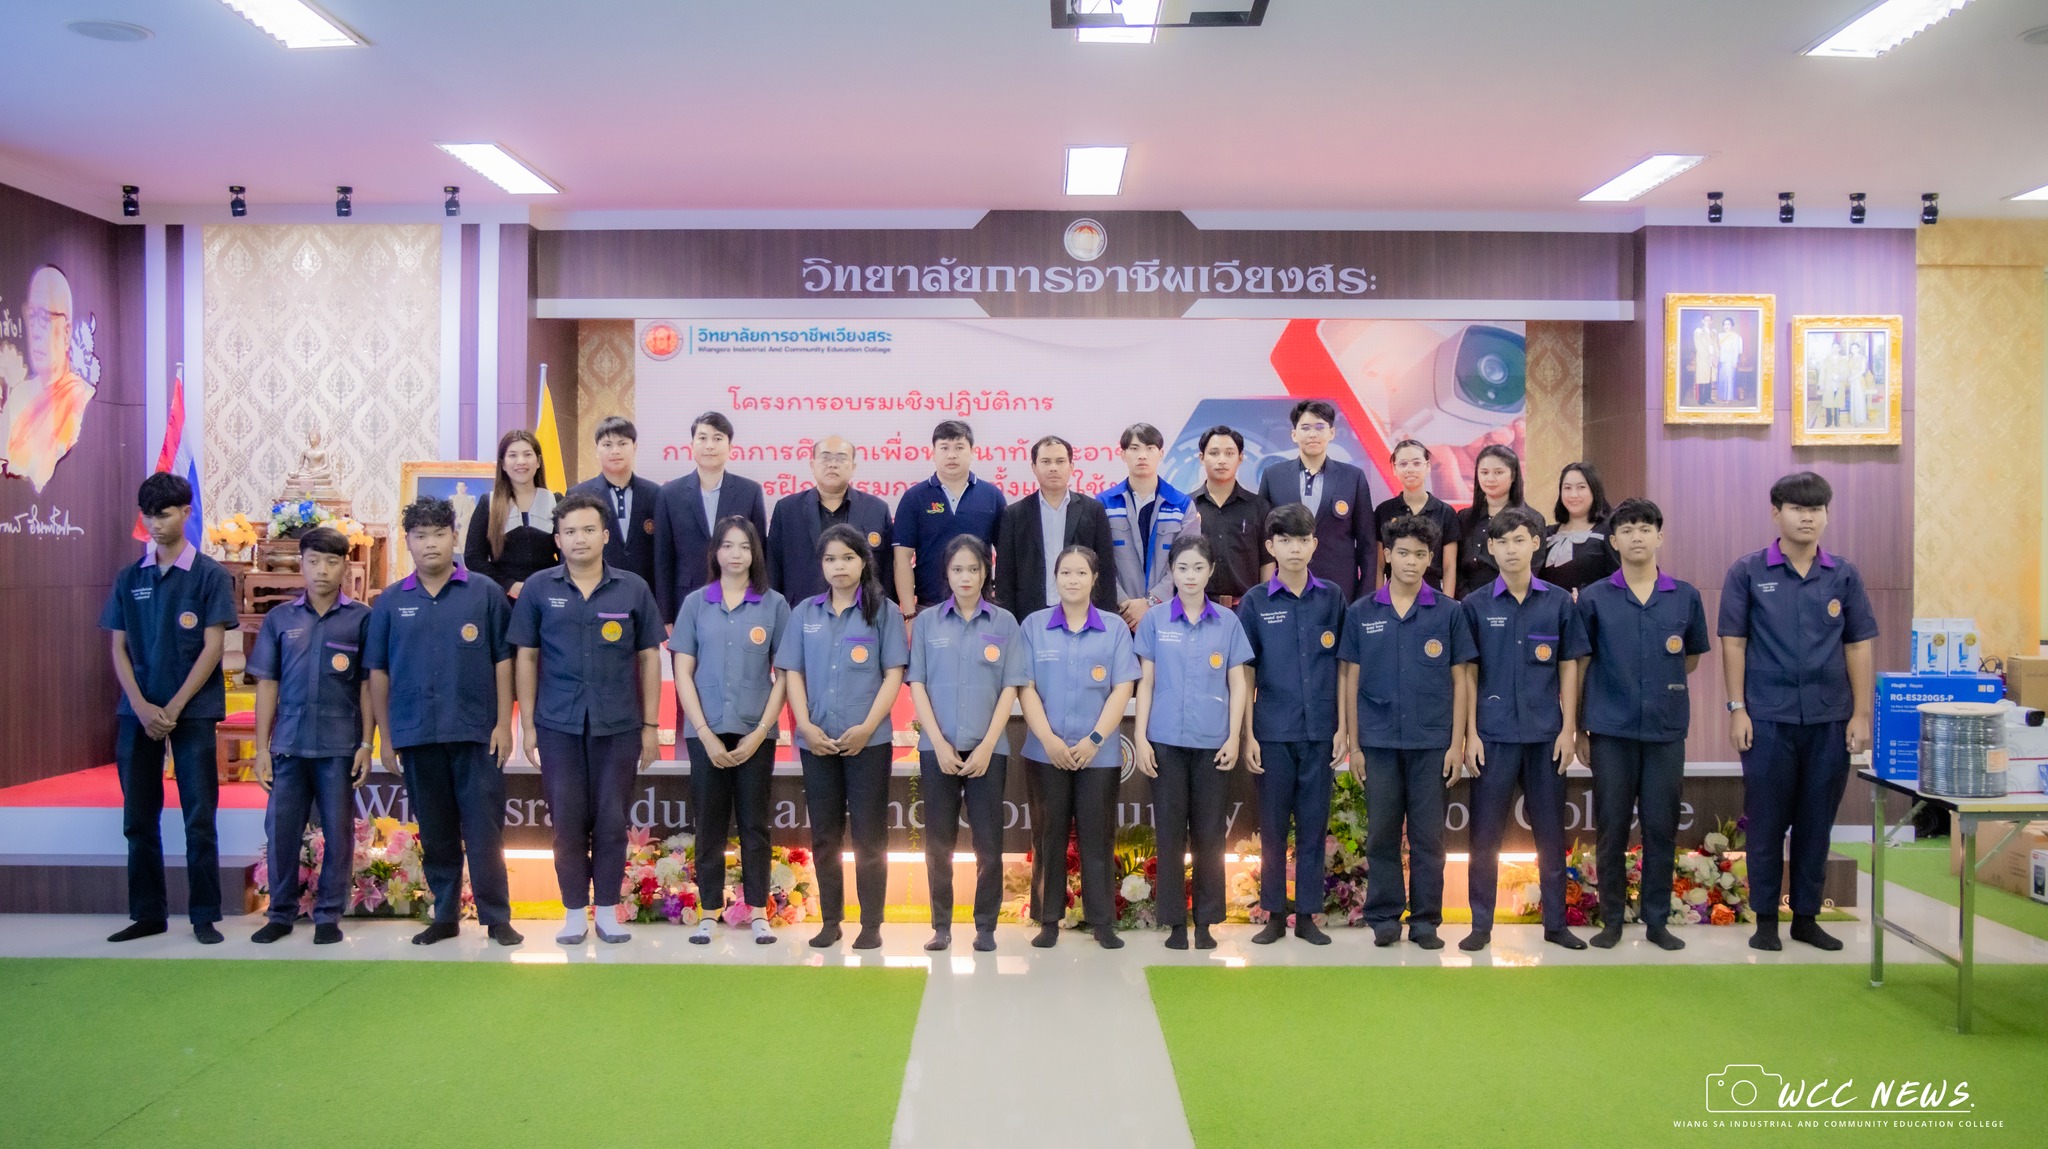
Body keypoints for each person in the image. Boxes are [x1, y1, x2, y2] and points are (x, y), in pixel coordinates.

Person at [1719, 471, 1876, 952]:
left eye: (1816, 509)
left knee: (1816, 824)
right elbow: (1733, 643)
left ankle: (1807, 917)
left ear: (1826, 515)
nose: (1807, 518)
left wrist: (1861, 714)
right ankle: (1765, 920)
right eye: (1797, 508)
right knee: (1766, 824)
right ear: (1776, 513)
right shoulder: (1748, 572)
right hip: (1767, 719)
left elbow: (1858, 646)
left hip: (1830, 720)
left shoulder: (1843, 575)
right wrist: (1737, 709)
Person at [510, 493, 665, 945]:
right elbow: (526, 657)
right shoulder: (539, 588)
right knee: (567, 822)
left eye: (589, 529)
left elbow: (650, 658)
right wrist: (528, 726)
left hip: (619, 724)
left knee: (612, 821)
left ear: (605, 535)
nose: (580, 538)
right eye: (570, 531)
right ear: (558, 539)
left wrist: (651, 726)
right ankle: (574, 912)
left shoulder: (633, 588)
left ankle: (609, 912)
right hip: (557, 724)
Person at [367, 497, 522, 946]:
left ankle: (497, 918)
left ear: (454, 536)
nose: (430, 544)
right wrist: (385, 738)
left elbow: (504, 660)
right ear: (408, 542)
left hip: (477, 733)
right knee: (435, 832)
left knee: (484, 831)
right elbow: (378, 672)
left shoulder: (484, 593)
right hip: (416, 732)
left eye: (439, 534)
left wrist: (503, 724)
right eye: (420, 536)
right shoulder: (390, 602)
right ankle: (445, 916)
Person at [100, 473, 239, 944]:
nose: (155, 524)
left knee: (198, 817)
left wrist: (174, 707)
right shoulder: (129, 577)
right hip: (136, 714)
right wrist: (141, 706)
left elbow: (214, 647)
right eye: (148, 516)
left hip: (193, 712)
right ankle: (148, 914)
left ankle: (204, 915)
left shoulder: (210, 575)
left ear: (186, 512)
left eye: (164, 514)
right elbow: (118, 648)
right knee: (138, 818)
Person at [1575, 498, 1709, 952]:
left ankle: (1657, 921)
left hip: (1665, 731)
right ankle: (1612, 919)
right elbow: (1582, 663)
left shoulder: (1685, 596)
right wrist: (1579, 728)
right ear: (1613, 540)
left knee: (1660, 828)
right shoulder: (1594, 598)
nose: (1637, 537)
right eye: (1628, 530)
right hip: (1609, 730)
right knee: (1612, 828)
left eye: (1645, 528)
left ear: (1659, 536)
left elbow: (1690, 657)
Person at [1340, 514, 1476, 950]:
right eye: (1403, 553)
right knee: (1381, 834)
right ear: (1387, 555)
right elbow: (1351, 680)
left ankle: (1425, 921)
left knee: (1428, 838)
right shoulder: (1361, 612)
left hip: (1432, 743)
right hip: (1377, 743)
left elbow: (1461, 680)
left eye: (1420, 554)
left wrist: (1456, 744)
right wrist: (1355, 745)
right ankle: (1383, 917)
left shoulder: (1450, 612)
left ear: (1431, 558)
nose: (1411, 561)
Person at [1460, 506, 1590, 952]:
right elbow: (1468, 673)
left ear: (1536, 543)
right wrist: (1470, 734)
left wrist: (1569, 728)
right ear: (1491, 549)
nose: (1512, 549)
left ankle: (1556, 923)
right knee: (1484, 836)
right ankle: (1481, 925)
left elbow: (1569, 665)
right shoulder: (1474, 606)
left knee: (1550, 835)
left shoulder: (1558, 602)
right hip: (1492, 737)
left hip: (1545, 735)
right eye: (1503, 542)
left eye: (1520, 540)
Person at [777, 525, 908, 950]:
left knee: (870, 837)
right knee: (824, 836)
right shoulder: (804, 613)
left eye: (848, 558)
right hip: (816, 741)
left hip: (868, 742)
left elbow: (894, 673)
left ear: (863, 561)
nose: (839, 567)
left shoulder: (883, 611)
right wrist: (804, 725)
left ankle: (871, 924)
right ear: (821, 565)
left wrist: (867, 727)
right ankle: (831, 920)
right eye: (830, 559)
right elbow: (791, 672)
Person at [246, 527, 374, 946]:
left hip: (339, 746)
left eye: (331, 562)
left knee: (338, 834)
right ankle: (280, 913)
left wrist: (366, 743)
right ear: (301, 564)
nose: (322, 570)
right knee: (281, 833)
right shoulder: (280, 619)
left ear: (345, 568)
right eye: (314, 561)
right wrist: (261, 749)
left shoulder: (362, 619)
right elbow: (267, 684)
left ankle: (328, 916)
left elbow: (368, 685)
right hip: (288, 745)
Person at [671, 516, 791, 947]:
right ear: (715, 552)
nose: (735, 554)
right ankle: (708, 911)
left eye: (744, 546)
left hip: (756, 733)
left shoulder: (774, 604)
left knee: (755, 824)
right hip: (705, 733)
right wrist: (703, 732)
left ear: (755, 552)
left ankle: (758, 910)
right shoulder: (695, 604)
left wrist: (761, 731)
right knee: (709, 823)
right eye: (727, 545)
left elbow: (785, 674)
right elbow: (682, 671)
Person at [907, 535, 1029, 953]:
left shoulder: (1005, 623)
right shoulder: (927, 622)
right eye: (957, 569)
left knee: (989, 846)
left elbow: (1011, 687)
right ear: (946, 573)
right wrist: (937, 743)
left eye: (973, 569)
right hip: (937, 750)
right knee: (938, 844)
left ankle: (985, 927)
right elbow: (917, 684)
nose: (965, 577)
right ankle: (941, 926)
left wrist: (987, 745)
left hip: (988, 750)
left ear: (985, 573)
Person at [1133, 536, 1253, 951]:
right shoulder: (1154, 620)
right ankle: (1174, 924)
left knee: (1209, 837)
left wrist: (1235, 737)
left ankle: (1205, 922)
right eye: (1182, 568)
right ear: (1171, 571)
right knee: (1169, 836)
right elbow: (1145, 682)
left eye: (1198, 568)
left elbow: (1239, 684)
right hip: (1164, 742)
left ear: (1211, 571)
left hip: (1213, 744)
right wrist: (1141, 737)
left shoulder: (1228, 622)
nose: (1190, 576)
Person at [1234, 504, 1346, 946]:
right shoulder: (1256, 601)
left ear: (1314, 544)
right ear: (1270, 546)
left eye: (1302, 540)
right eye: (1285, 541)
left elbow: (1344, 667)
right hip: (1272, 732)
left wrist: (1343, 728)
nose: (1295, 549)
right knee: (1274, 829)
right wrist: (1248, 734)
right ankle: (1275, 914)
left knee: (1314, 828)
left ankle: (1308, 915)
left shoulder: (1333, 597)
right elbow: (1245, 673)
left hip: (1320, 731)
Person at [1020, 546, 1139, 950]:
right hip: (1045, 752)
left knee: (1098, 836)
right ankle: (1048, 920)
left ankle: (1102, 921)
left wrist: (1094, 740)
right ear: (1055, 578)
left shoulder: (1114, 628)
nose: (1072, 580)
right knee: (1048, 836)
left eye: (1081, 573)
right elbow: (1025, 688)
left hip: (1099, 755)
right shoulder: (1034, 626)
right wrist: (1049, 740)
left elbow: (1122, 688)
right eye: (1065, 573)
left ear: (1095, 579)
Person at [654, 411, 768, 624]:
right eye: (703, 438)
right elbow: (663, 559)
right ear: (691, 445)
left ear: (730, 447)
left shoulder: (749, 491)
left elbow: (759, 553)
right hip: (685, 600)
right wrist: (666, 618)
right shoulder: (669, 493)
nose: (709, 446)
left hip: (739, 600)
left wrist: (760, 602)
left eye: (717, 439)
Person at [1258, 399, 1374, 600]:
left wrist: (1364, 599)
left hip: (1339, 590)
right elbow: (1264, 538)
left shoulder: (1353, 477)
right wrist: (1265, 592)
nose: (1312, 434)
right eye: (1305, 428)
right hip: (1285, 588)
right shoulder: (1273, 476)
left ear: (1332, 433)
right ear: (1294, 434)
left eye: (1320, 427)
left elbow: (1367, 544)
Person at [994, 434, 1117, 619]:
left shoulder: (1093, 510)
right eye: (1046, 461)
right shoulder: (1014, 514)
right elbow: (1005, 575)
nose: (1053, 467)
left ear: (1071, 466)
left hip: (1083, 614)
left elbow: (1106, 569)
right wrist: (1008, 621)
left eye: (1060, 461)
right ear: (1034, 467)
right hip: (1030, 615)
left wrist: (1106, 617)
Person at [893, 420, 1006, 618]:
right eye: (944, 448)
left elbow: (1006, 555)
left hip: (981, 609)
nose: (951, 455)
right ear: (933, 453)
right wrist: (909, 614)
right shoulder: (914, 498)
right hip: (929, 609)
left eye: (959, 447)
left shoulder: (992, 496)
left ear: (972, 452)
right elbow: (901, 559)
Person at [766, 434, 893, 605]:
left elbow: (887, 570)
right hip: (801, 610)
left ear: (853, 467)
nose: (832, 464)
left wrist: (885, 610)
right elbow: (773, 567)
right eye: (825, 458)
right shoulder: (787, 509)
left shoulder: (877, 509)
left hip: (863, 610)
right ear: (812, 465)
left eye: (841, 458)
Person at [1102, 422, 1201, 628]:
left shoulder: (1181, 505)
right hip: (1118, 617)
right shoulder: (1104, 504)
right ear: (1122, 454)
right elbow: (1099, 562)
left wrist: (1151, 602)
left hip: (1168, 615)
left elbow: (1187, 561)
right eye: (1134, 448)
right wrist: (1125, 605)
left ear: (1161, 453)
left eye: (1150, 448)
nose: (1142, 456)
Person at [7, 266, 95, 492]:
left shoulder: (81, 399)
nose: (36, 331)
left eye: (45, 318)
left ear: (66, 332)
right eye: (32, 316)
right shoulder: (18, 398)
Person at [463, 429, 560, 603]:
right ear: (503, 464)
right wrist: (508, 585)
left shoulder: (555, 501)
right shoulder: (489, 503)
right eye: (513, 455)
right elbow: (473, 557)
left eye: (527, 454)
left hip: (548, 595)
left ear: (538, 461)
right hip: (502, 598)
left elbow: (566, 554)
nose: (521, 461)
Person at [568, 416, 661, 590]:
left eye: (622, 443)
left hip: (645, 590)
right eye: (607, 445)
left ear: (634, 447)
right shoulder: (578, 495)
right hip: (595, 589)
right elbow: (569, 551)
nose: (615, 451)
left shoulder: (655, 494)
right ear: (596, 450)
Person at [1191, 425, 1273, 607]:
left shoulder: (1258, 507)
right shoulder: (1188, 506)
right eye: (1214, 453)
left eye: (1229, 453)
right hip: (1198, 608)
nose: (1222, 460)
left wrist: (1264, 605)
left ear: (1240, 458)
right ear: (1202, 458)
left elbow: (1267, 562)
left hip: (1246, 607)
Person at [1372, 438, 1460, 594]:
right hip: (1394, 595)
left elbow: (1449, 567)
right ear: (1394, 469)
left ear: (1428, 466)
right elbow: (1379, 565)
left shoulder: (1445, 512)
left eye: (1417, 463)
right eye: (1403, 464)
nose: (1410, 469)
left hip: (1433, 595)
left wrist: (1448, 604)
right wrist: (1377, 601)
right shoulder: (1383, 511)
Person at [1454, 443, 1525, 595]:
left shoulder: (1529, 519)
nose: (1490, 478)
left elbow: (1532, 570)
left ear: (1513, 475)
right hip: (1467, 602)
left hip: (1512, 601)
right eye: (1484, 472)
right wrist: (1468, 599)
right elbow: (1455, 568)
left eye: (1498, 472)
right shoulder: (1464, 518)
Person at [1538, 461, 1619, 593]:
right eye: (1567, 488)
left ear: (1594, 490)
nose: (1573, 495)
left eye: (1581, 487)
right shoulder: (1547, 533)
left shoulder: (1608, 531)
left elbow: (1617, 580)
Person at [1692, 315, 1716, 407]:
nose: (1708, 322)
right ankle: (1701, 399)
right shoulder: (1699, 331)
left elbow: (1716, 345)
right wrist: (1708, 355)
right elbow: (1699, 346)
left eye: (1709, 320)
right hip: (1703, 358)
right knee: (1703, 378)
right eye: (1706, 320)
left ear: (1712, 321)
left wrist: (1715, 356)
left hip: (1712, 358)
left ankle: (1708, 397)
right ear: (1702, 321)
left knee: (1709, 378)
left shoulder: (1713, 332)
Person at [1717, 317, 1743, 404]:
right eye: (1725, 324)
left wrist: (1735, 361)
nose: (1727, 326)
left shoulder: (1736, 336)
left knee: (1729, 379)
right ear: (1723, 326)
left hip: (1730, 360)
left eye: (1729, 324)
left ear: (1732, 325)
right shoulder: (1720, 335)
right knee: (1722, 379)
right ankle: (1722, 397)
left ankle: (1728, 398)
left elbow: (1737, 350)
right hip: (1721, 360)